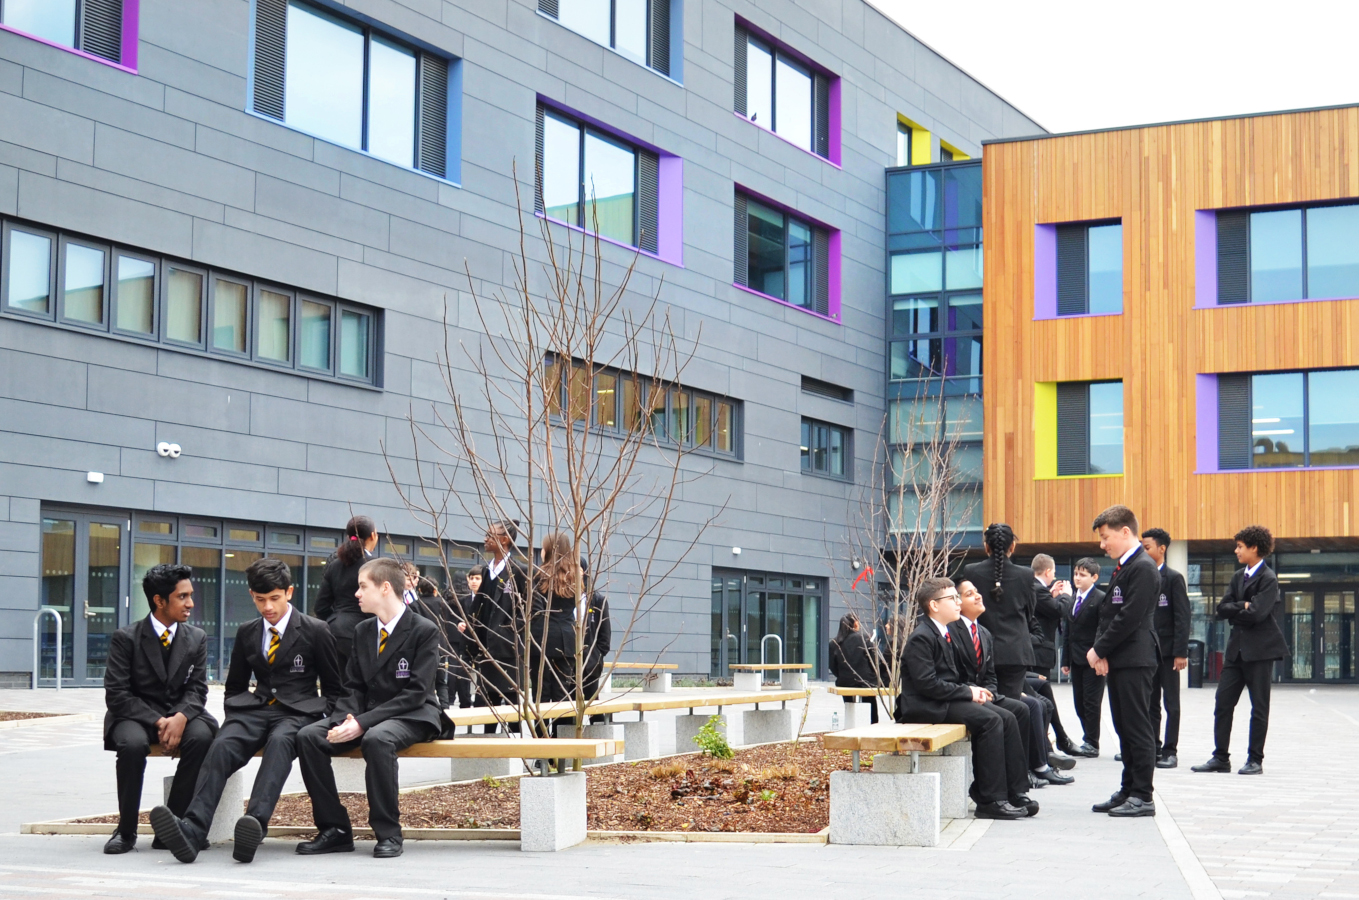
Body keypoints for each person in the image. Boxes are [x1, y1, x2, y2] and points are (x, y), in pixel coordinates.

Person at [149, 558, 343, 863]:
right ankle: (192, 831)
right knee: (222, 745)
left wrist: (320, 718)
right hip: (253, 711)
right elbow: (235, 686)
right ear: (252, 595)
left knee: (280, 742)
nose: (268, 607)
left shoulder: (316, 630)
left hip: (298, 714)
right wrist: (236, 716)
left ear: (289, 592)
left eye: (275, 598)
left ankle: (253, 825)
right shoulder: (247, 631)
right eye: (260, 599)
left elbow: (334, 689)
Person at [294, 558, 448, 859]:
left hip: (412, 713)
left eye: (363, 586)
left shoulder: (424, 629)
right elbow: (352, 685)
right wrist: (344, 720)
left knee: (377, 739)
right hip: (366, 713)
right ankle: (335, 830)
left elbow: (416, 693)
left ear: (385, 588)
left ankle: (388, 833)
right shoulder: (363, 630)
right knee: (309, 737)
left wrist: (362, 723)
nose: (356, 593)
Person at [102, 563, 218, 855]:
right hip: (135, 715)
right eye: (182, 596)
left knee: (202, 737)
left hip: (182, 712)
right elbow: (117, 695)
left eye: (190, 595)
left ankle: (172, 828)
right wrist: (159, 720)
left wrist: (180, 717)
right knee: (131, 745)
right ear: (159, 600)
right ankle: (125, 830)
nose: (190, 603)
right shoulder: (126, 638)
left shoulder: (196, 637)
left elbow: (197, 689)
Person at [896, 577, 1036, 820]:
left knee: (1011, 714)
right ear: (934, 605)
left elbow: (954, 677)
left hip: (944, 699)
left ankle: (1014, 791)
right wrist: (968, 692)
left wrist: (974, 690)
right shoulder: (922, 637)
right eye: (952, 598)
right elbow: (927, 684)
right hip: (926, 705)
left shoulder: (943, 632)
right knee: (991, 720)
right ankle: (989, 799)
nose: (958, 602)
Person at [951, 580, 1072, 788]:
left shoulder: (983, 632)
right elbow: (958, 675)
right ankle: (1008, 784)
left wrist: (989, 691)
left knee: (1030, 705)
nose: (978, 596)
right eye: (969, 594)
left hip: (989, 689)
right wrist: (976, 693)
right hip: (966, 695)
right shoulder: (954, 632)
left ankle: (1026, 777)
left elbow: (990, 674)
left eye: (977, 591)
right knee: (1015, 711)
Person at [1192, 525, 1287, 776]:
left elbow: (1257, 614)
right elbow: (1221, 609)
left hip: (1260, 652)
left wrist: (1239, 609)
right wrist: (1243, 605)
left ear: (1254, 548)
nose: (1236, 551)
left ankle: (1255, 760)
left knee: (1259, 707)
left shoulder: (1268, 578)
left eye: (1240, 546)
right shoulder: (1237, 577)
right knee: (1223, 703)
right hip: (1236, 652)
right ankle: (1220, 758)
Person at [1087, 505, 1162, 818]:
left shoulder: (1143, 568)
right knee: (1123, 727)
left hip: (1135, 658)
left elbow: (1129, 617)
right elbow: (1108, 613)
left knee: (1137, 728)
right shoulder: (1125, 566)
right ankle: (1129, 788)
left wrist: (1098, 649)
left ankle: (1143, 795)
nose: (1102, 544)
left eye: (1106, 537)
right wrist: (1103, 651)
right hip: (1122, 657)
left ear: (1126, 531)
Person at [961, 523, 1040, 701]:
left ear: (986, 546)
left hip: (980, 648)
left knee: (983, 704)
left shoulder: (971, 572)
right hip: (1015, 651)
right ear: (1013, 546)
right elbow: (1029, 613)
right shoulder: (1026, 575)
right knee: (1011, 704)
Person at [469, 520, 529, 733]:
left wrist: (510, 630)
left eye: (490, 535)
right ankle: (489, 747)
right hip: (486, 648)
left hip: (508, 648)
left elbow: (532, 609)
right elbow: (479, 607)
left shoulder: (519, 571)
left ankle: (515, 745)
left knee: (512, 702)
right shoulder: (486, 571)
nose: (485, 539)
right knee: (489, 703)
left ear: (504, 540)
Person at [1140, 528, 1191, 769]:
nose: (1143, 552)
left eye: (1147, 547)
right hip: (1147, 652)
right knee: (1150, 703)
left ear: (1162, 549)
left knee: (1171, 703)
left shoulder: (1173, 578)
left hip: (1169, 652)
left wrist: (1181, 652)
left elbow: (1182, 617)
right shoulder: (1142, 577)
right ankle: (1152, 747)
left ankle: (1170, 751)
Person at [313, 515, 379, 676]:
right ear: (373, 535)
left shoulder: (335, 565)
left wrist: (336, 620)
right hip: (361, 633)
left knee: (336, 685)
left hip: (333, 632)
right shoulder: (374, 566)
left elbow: (320, 607)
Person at [1027, 553, 1078, 759]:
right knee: (1042, 700)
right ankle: (1050, 745)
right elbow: (1059, 610)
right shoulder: (1037, 589)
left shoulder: (1039, 590)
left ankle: (1058, 740)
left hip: (1038, 652)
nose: (1054, 576)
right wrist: (1066, 595)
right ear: (1048, 571)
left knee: (1045, 699)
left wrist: (1053, 595)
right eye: (1054, 572)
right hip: (1038, 653)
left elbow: (1046, 609)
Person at [1060, 559, 1106, 757]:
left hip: (1093, 659)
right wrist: (1065, 660)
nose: (1077, 578)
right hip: (1076, 659)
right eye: (1076, 574)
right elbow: (1068, 631)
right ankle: (1087, 737)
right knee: (1079, 702)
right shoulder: (1073, 599)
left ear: (1094, 578)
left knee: (1091, 702)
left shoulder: (1100, 599)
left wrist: (1100, 654)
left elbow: (1102, 629)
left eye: (1082, 575)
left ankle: (1092, 742)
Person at [533, 531, 584, 705]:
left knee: (541, 693)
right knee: (562, 693)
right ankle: (562, 724)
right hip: (567, 638)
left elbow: (534, 610)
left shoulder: (538, 576)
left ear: (549, 549)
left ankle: (542, 724)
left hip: (542, 637)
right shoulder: (576, 576)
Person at [829, 613, 884, 724]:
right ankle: (873, 722)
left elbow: (832, 666)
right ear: (854, 623)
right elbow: (874, 661)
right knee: (870, 700)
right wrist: (873, 674)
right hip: (865, 680)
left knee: (849, 700)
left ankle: (851, 721)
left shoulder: (834, 643)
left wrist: (842, 675)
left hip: (845, 681)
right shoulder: (864, 638)